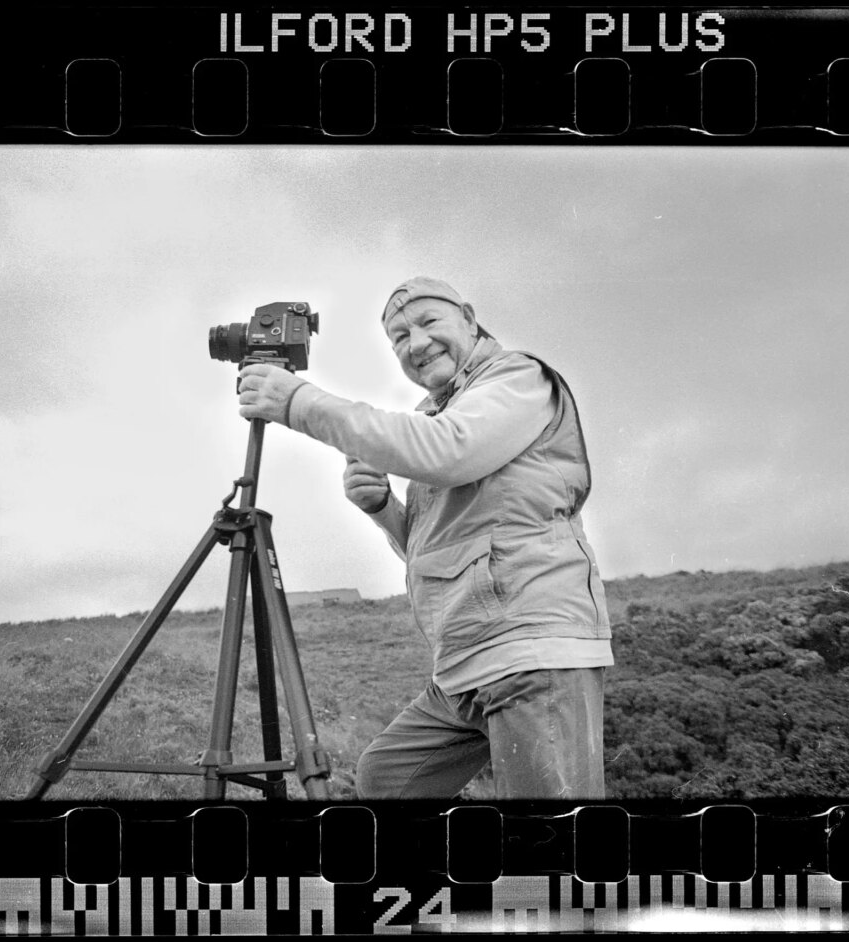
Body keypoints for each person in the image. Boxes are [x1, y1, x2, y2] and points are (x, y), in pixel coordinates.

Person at [236, 276, 612, 799]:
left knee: (551, 842)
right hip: (465, 659)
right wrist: (384, 508)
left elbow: (445, 452)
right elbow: (435, 544)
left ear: (470, 318)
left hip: (531, 647)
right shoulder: (437, 415)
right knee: (387, 779)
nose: (415, 343)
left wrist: (300, 403)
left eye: (429, 322)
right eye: (398, 337)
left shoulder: (518, 379)